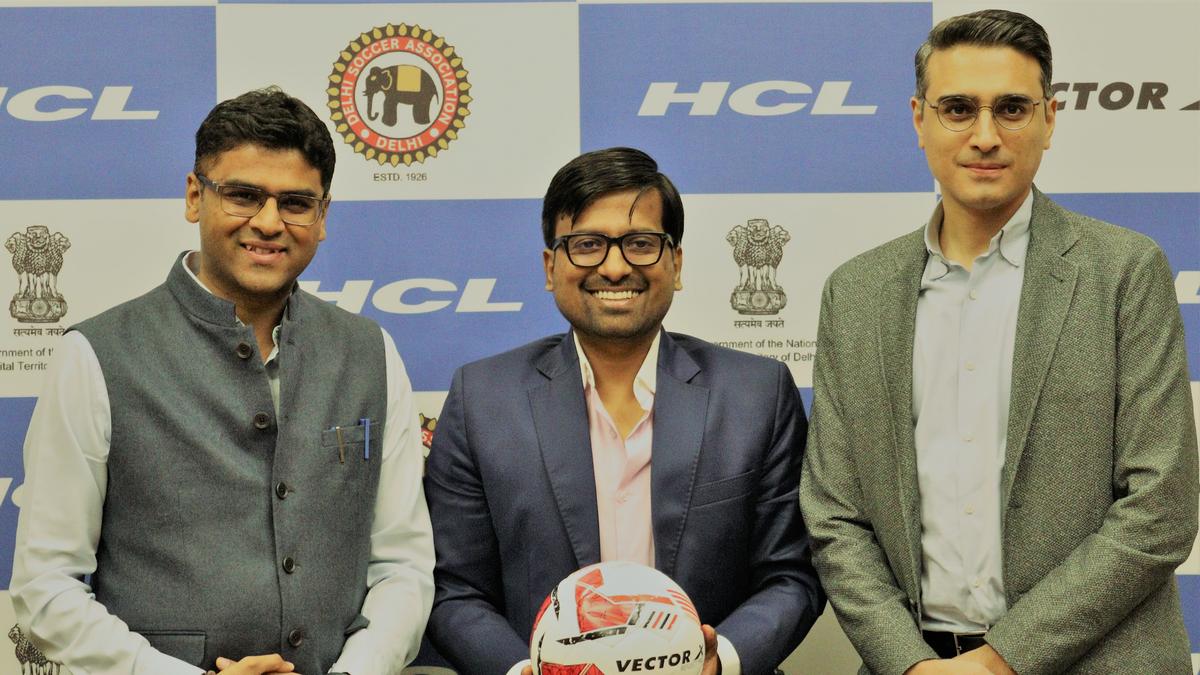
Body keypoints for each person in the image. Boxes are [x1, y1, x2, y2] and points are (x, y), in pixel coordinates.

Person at [799, 9, 1197, 675]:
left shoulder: (1125, 271)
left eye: (1011, 108)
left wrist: (1000, 660)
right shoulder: (856, 292)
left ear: (1050, 118)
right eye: (958, 109)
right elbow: (833, 514)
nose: (985, 136)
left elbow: (1161, 509)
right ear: (919, 119)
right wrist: (910, 662)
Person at [9, 87, 435, 675]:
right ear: (195, 196)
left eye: (296, 203)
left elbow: (403, 566)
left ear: (322, 217)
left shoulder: (370, 353)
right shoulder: (96, 356)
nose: (269, 222)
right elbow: (46, 585)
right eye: (243, 195)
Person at [422, 146, 824, 675]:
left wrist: (720, 659)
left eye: (640, 244)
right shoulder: (482, 399)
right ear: (550, 267)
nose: (614, 268)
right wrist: (526, 671)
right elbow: (455, 590)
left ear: (676, 263)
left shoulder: (757, 394)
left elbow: (792, 574)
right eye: (587, 245)